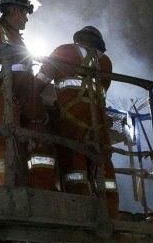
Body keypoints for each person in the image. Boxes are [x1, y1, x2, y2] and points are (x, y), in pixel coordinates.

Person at [0, 0, 56, 190]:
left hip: (26, 93)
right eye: (25, 13)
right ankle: (5, 188)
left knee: (38, 139)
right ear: (15, 10)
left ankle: (40, 188)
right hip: (4, 92)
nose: (26, 18)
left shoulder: (18, 38)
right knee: (7, 139)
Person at [35, 26, 119, 217]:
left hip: (73, 118)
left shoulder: (64, 51)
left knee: (74, 161)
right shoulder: (106, 62)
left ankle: (78, 210)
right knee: (103, 164)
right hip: (98, 121)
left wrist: (27, 95)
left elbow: (40, 81)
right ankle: (110, 212)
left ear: (77, 40)